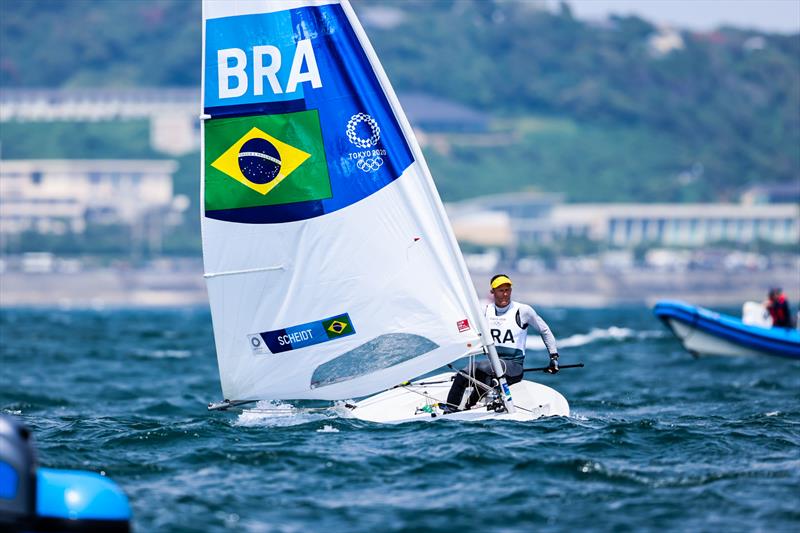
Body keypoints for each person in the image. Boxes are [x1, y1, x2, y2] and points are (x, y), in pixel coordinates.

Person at [443, 274, 559, 413]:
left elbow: (545, 331)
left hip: (513, 367)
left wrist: (553, 358)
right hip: (491, 368)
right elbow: (465, 328)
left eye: (507, 290)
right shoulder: (485, 311)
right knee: (464, 374)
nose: (505, 294)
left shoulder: (523, 311)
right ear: (492, 292)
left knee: (481, 368)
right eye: (500, 290)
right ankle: (451, 410)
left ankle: (476, 404)